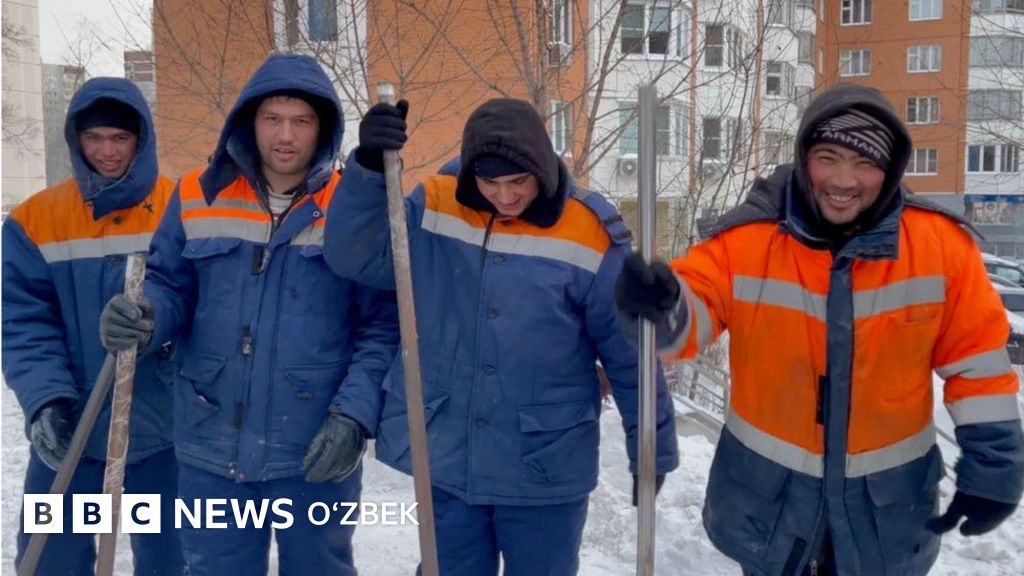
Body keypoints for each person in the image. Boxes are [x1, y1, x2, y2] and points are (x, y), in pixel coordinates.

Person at [615, 83, 1024, 576]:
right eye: (828, 157)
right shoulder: (750, 240)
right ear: (804, 156)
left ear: (891, 169)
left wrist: (995, 468)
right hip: (770, 509)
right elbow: (692, 314)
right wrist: (663, 306)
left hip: (887, 514)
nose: (843, 180)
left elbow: (978, 360)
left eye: (865, 163)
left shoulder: (940, 247)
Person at [323, 97, 679, 575]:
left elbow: (628, 351)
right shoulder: (435, 203)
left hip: (544, 464)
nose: (505, 196)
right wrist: (366, 167)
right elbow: (356, 257)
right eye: (490, 182)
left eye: (518, 182)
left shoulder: (588, 231)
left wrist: (651, 446)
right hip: (450, 455)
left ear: (542, 167)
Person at [98, 54, 399, 575]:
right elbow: (170, 284)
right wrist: (146, 315)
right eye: (272, 119)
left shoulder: (349, 205)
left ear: (322, 127)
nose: (286, 135)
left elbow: (381, 326)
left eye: (301, 121)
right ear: (249, 121)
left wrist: (355, 413)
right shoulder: (198, 193)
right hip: (209, 437)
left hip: (315, 443)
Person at [3, 78, 184, 575]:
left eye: (120, 139)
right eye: (95, 138)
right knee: (50, 562)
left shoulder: (183, 208)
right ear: (76, 140)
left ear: (141, 140)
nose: (107, 151)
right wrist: (46, 402)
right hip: (73, 428)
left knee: (176, 562)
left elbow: (199, 304)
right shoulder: (36, 220)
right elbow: (24, 323)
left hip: (165, 431)